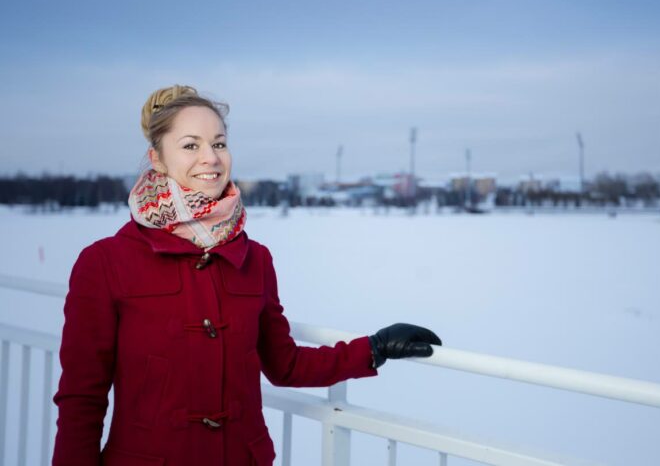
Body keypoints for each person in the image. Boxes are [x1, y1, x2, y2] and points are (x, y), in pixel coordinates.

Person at [52, 85, 442, 466]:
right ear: (157, 158)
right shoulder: (105, 263)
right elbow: (81, 398)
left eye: (219, 144)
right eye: (191, 145)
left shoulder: (253, 258)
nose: (211, 158)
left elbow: (284, 364)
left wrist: (373, 348)